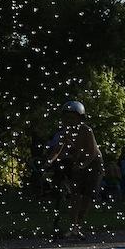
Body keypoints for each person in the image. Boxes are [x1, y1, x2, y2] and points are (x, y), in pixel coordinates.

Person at [46, 100, 103, 239]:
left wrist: (83, 165)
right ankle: (74, 227)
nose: (69, 121)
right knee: (75, 195)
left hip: (94, 164)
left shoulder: (86, 131)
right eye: (66, 118)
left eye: (72, 117)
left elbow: (92, 152)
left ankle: (79, 225)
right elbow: (58, 149)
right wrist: (50, 161)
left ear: (80, 118)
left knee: (87, 196)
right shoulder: (66, 132)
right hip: (79, 164)